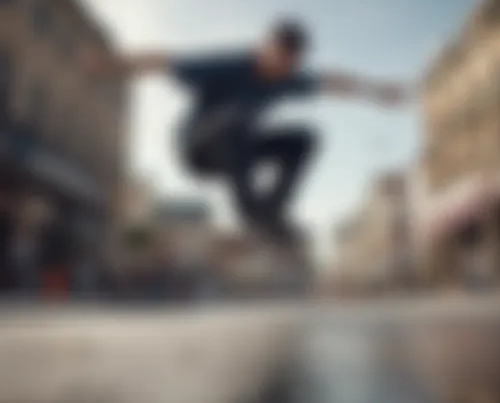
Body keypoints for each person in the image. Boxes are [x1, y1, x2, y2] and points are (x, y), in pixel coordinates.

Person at [86, 19, 413, 245]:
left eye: (287, 65)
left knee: (306, 138)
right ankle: (252, 212)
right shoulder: (230, 64)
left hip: (239, 152)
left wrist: (377, 92)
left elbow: (333, 82)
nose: (278, 70)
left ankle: (272, 212)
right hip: (198, 150)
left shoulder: (288, 79)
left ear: (294, 63)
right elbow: (164, 61)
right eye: (274, 58)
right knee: (237, 116)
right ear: (265, 47)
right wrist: (113, 64)